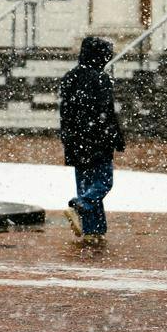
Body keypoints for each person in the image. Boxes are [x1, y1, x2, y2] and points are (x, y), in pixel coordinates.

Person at [58, 35, 125, 246]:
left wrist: (68, 136)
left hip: (77, 140)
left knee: (86, 183)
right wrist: (116, 137)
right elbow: (106, 112)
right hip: (98, 140)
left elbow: (65, 111)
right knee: (103, 183)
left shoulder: (70, 77)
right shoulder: (100, 78)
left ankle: (92, 231)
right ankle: (81, 205)